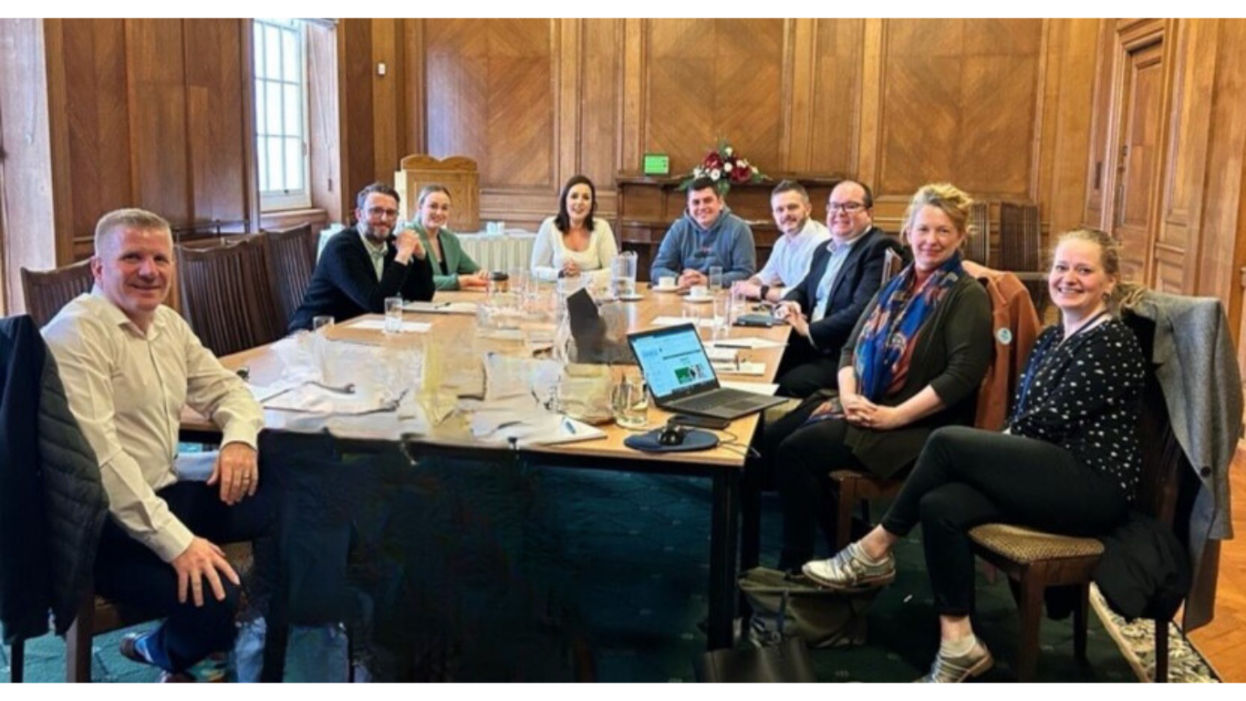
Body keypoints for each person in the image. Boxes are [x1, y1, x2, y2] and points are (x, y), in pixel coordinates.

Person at [803, 228, 1146, 683]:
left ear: (1109, 281)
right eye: (1061, 267)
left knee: (948, 440)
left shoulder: (1113, 341)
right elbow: (1027, 415)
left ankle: (873, 548)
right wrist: (996, 450)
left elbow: (1048, 421)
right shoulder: (1051, 338)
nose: (1069, 278)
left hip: (1092, 485)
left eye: (1084, 270)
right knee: (939, 505)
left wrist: (989, 450)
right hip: (1045, 470)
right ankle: (958, 641)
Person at [42, 208, 272, 681]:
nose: (150, 271)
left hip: (156, 490)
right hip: (95, 527)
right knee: (216, 594)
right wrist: (179, 544)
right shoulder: (76, 334)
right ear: (98, 268)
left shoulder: (166, 323)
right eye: (132, 257)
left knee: (286, 490)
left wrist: (238, 443)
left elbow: (229, 390)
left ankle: (262, 625)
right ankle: (163, 649)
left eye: (160, 259)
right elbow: (101, 461)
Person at [761, 183, 992, 575]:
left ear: (961, 237)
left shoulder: (965, 295)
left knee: (796, 451)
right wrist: (848, 395)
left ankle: (794, 567)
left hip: (917, 425)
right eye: (922, 230)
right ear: (908, 232)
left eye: (943, 232)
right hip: (866, 402)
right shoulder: (898, 283)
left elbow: (962, 376)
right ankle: (844, 537)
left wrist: (895, 416)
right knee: (768, 441)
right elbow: (851, 347)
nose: (930, 241)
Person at [772, 180, 903, 398]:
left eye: (850, 206)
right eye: (834, 206)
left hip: (842, 354)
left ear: (869, 212)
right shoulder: (825, 249)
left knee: (784, 383)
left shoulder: (878, 248)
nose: (839, 213)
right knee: (757, 363)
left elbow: (862, 311)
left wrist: (808, 330)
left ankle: (774, 431)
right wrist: (792, 302)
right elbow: (804, 288)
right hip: (810, 344)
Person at [288, 182, 435, 331]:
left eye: (391, 213)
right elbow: (375, 303)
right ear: (359, 214)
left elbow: (422, 297)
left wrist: (420, 257)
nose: (384, 218)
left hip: (358, 331)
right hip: (316, 334)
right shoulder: (342, 247)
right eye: (376, 211)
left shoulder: (392, 244)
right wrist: (403, 255)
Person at [732, 180, 829, 303]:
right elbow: (765, 276)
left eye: (792, 207)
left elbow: (803, 294)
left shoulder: (822, 242)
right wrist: (744, 286)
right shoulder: (781, 243)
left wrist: (759, 291)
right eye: (779, 210)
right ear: (774, 215)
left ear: (808, 209)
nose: (786, 214)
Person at [649, 176, 755, 288]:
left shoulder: (739, 229)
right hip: (686, 296)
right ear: (688, 206)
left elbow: (746, 274)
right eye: (696, 202)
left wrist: (709, 281)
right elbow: (657, 269)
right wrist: (679, 279)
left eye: (707, 200)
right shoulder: (678, 229)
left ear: (720, 202)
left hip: (723, 298)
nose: (702, 207)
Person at [531, 175, 619, 285]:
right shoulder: (550, 226)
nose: (579, 202)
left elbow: (615, 271)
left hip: (593, 297)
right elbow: (536, 268)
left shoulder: (602, 227)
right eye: (574, 196)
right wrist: (560, 274)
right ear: (565, 201)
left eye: (586, 197)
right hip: (557, 294)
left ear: (592, 205)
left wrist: (582, 276)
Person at [406, 184, 489, 291]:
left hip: (447, 301)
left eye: (444, 208)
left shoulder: (450, 239)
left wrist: (482, 273)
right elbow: (416, 281)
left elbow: (473, 270)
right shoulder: (407, 236)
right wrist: (460, 281)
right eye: (433, 206)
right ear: (419, 207)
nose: (439, 212)